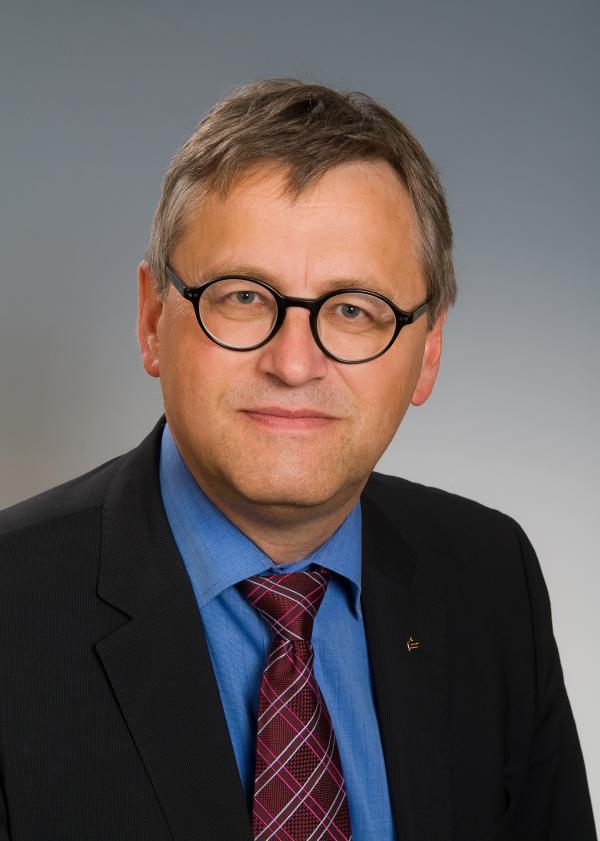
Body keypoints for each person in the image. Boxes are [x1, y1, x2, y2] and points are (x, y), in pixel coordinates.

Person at [0, 79, 596, 841]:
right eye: (243, 296)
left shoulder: (490, 579)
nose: (292, 362)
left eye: (353, 309)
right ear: (152, 320)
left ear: (427, 352)